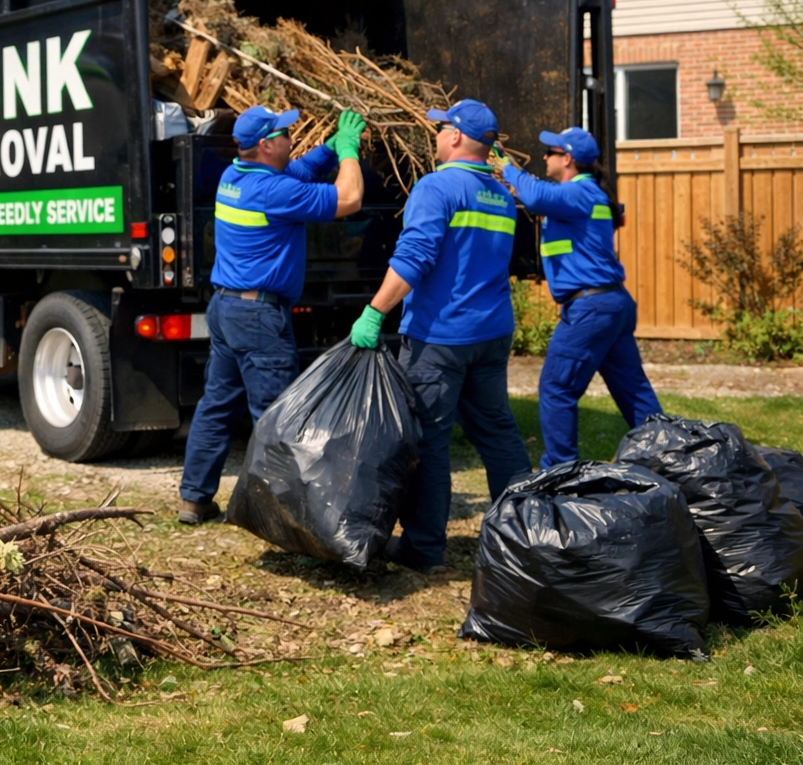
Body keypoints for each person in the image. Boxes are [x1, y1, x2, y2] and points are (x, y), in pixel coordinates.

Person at [349, 99, 530, 572]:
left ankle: (424, 547)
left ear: (455, 136)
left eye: (440, 128)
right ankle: (524, 537)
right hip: (491, 333)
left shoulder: (436, 187)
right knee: (498, 433)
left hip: (440, 337)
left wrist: (374, 312)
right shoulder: (501, 196)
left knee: (428, 441)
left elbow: (414, 258)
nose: (435, 135)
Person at [178, 106, 366, 525]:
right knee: (278, 418)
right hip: (259, 318)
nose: (290, 138)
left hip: (226, 309)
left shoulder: (233, 177)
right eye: (284, 133)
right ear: (265, 145)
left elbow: (296, 171)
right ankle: (282, 518)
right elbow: (350, 198)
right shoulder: (276, 193)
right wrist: (349, 151)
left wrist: (327, 149)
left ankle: (194, 499)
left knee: (217, 406)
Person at [495, 126, 661, 467]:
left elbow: (537, 197)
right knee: (633, 391)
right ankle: (670, 456)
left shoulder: (580, 192)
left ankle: (560, 471)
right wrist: (516, 181)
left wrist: (509, 169)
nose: (544, 156)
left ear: (567, 159)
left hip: (591, 308)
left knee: (556, 388)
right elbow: (542, 198)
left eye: (550, 152)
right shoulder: (585, 194)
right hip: (610, 304)